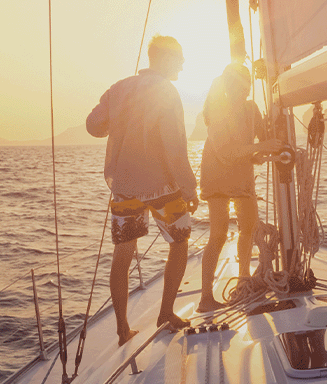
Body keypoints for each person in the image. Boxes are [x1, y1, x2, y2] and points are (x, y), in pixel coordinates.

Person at [86, 35, 199, 345]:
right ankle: (165, 313)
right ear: (164, 58)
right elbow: (175, 147)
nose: (183, 64)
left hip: (124, 187)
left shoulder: (118, 88)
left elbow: (93, 125)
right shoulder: (166, 91)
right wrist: (189, 188)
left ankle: (123, 329)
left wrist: (119, 124)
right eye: (179, 58)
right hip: (163, 187)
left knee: (123, 254)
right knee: (179, 242)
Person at [197, 62, 281, 312]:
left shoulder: (251, 109)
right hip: (217, 175)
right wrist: (259, 148)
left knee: (250, 228)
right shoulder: (217, 110)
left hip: (242, 174)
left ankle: (244, 280)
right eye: (238, 84)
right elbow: (226, 152)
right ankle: (205, 297)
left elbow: (258, 141)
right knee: (218, 234)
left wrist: (261, 151)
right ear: (228, 85)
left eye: (247, 84)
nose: (244, 89)